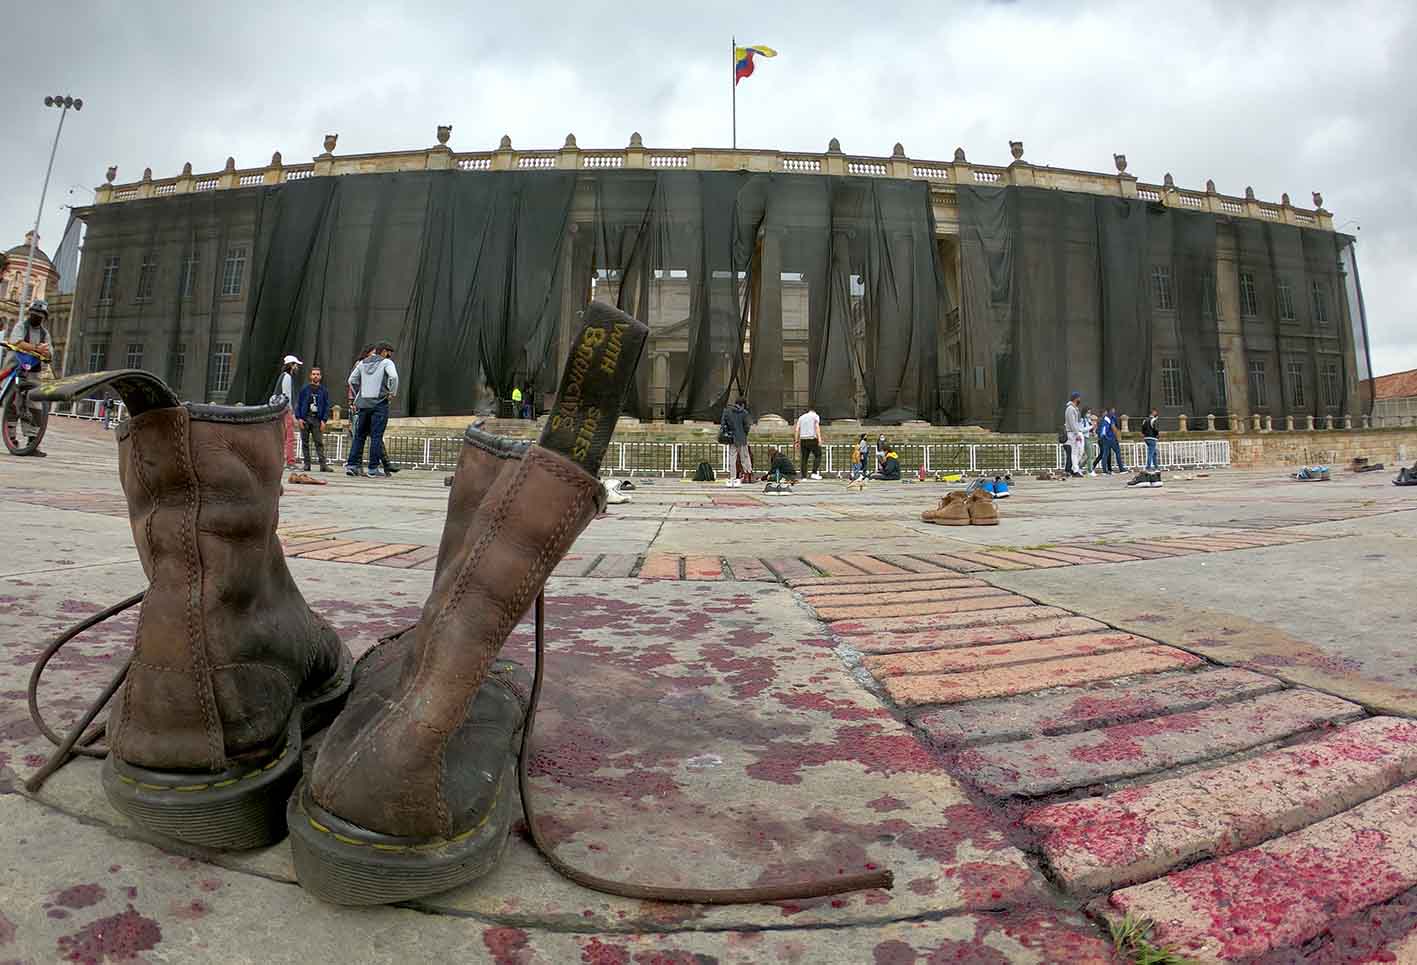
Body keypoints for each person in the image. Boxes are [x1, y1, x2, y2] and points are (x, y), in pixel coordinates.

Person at [3, 299, 53, 457]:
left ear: (44, 317)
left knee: (34, 406)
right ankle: (11, 438)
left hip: (33, 373)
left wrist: (45, 352)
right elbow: (17, 342)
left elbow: (49, 354)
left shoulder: (45, 334)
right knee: (12, 403)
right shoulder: (21, 326)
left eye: (40, 315)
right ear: (29, 313)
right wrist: (37, 349)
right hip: (15, 368)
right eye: (34, 314)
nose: (36, 317)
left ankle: (33, 442)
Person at [346, 341, 399, 478]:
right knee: (376, 436)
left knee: (359, 436)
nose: (390, 356)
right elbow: (393, 376)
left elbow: (351, 380)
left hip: (364, 404)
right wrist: (392, 392)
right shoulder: (386, 363)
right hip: (379, 403)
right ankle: (373, 468)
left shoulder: (362, 363)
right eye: (389, 353)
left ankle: (352, 466)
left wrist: (359, 394)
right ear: (384, 352)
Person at [295, 367, 332, 472]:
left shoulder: (324, 391)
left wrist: (324, 420)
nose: (316, 376)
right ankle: (307, 464)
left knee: (319, 442)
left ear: (320, 376)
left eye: (317, 374)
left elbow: (326, 406)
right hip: (305, 418)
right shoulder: (305, 389)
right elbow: (299, 403)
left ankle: (323, 465)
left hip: (317, 419)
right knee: (305, 443)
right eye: (314, 374)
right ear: (310, 376)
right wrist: (299, 418)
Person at [273, 355, 302, 470]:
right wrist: (292, 413)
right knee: (290, 437)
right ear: (291, 365)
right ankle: (290, 461)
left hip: (280, 410)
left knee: (283, 437)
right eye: (295, 365)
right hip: (285, 410)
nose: (297, 367)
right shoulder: (287, 377)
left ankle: (283, 460)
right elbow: (287, 396)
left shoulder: (283, 376)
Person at [721, 397, 753, 487]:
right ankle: (747, 475)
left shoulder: (727, 412)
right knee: (745, 457)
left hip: (732, 438)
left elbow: (723, 424)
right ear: (742, 405)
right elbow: (747, 426)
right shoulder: (744, 413)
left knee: (732, 458)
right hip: (742, 438)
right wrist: (744, 433)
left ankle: (733, 477)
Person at [794, 405, 822, 479]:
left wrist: (796, 441)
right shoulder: (815, 416)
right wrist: (819, 439)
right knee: (818, 455)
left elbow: (797, 429)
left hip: (803, 439)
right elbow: (817, 427)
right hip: (812, 438)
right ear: (814, 411)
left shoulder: (801, 417)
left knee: (804, 458)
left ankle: (804, 477)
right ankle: (814, 472)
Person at [1097, 407, 1127, 474]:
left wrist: (1102, 437)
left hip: (1105, 438)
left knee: (1105, 454)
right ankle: (1121, 469)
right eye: (1112, 411)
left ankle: (1105, 470)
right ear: (1109, 412)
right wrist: (1118, 436)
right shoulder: (1110, 419)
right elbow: (1113, 428)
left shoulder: (1104, 419)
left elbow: (1101, 430)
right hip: (1111, 438)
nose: (1113, 412)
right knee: (1117, 452)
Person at [1064, 392, 1085, 478]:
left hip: (1075, 432)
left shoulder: (1074, 408)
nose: (1080, 400)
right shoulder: (1070, 409)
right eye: (1079, 398)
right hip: (1072, 433)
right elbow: (1072, 423)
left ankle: (1074, 468)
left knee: (1079, 452)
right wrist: (1077, 433)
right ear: (1075, 398)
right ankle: (1075, 470)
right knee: (1074, 452)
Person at [1083, 410, 1100, 476]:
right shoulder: (1083, 420)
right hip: (1085, 438)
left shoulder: (1089, 421)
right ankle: (1090, 470)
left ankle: (1080, 466)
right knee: (1090, 455)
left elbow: (1093, 431)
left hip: (1090, 438)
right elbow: (1083, 429)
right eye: (1088, 412)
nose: (1089, 414)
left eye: (1090, 413)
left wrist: (1094, 431)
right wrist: (1091, 427)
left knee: (1091, 455)